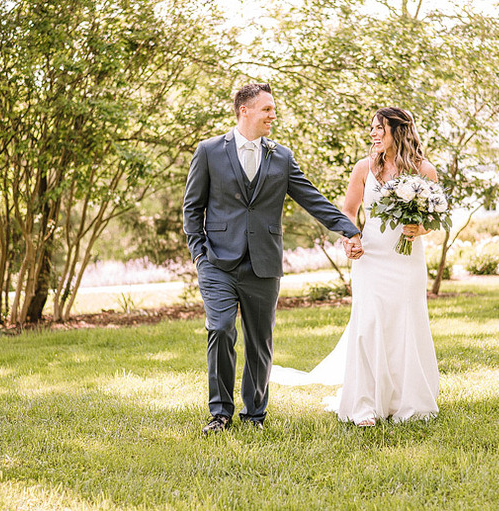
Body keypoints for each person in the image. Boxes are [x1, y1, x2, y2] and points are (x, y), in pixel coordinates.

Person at [183, 83, 363, 433]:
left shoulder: (281, 156)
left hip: (264, 263)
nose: (272, 115)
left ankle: (254, 416)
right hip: (217, 261)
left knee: (259, 341)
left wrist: (348, 228)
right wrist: (199, 254)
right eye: (267, 109)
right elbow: (192, 208)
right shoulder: (208, 152)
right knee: (220, 330)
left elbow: (311, 198)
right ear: (244, 110)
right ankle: (220, 414)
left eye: (273, 109)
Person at [271, 107, 440, 427]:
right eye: (372, 128)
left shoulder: (424, 170)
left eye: (380, 128)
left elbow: (433, 218)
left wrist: (420, 229)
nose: (374, 133)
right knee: (369, 325)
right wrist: (351, 237)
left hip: (407, 261)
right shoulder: (364, 168)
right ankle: (365, 404)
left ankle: (408, 402)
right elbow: (348, 211)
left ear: (399, 131)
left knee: (405, 324)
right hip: (371, 257)